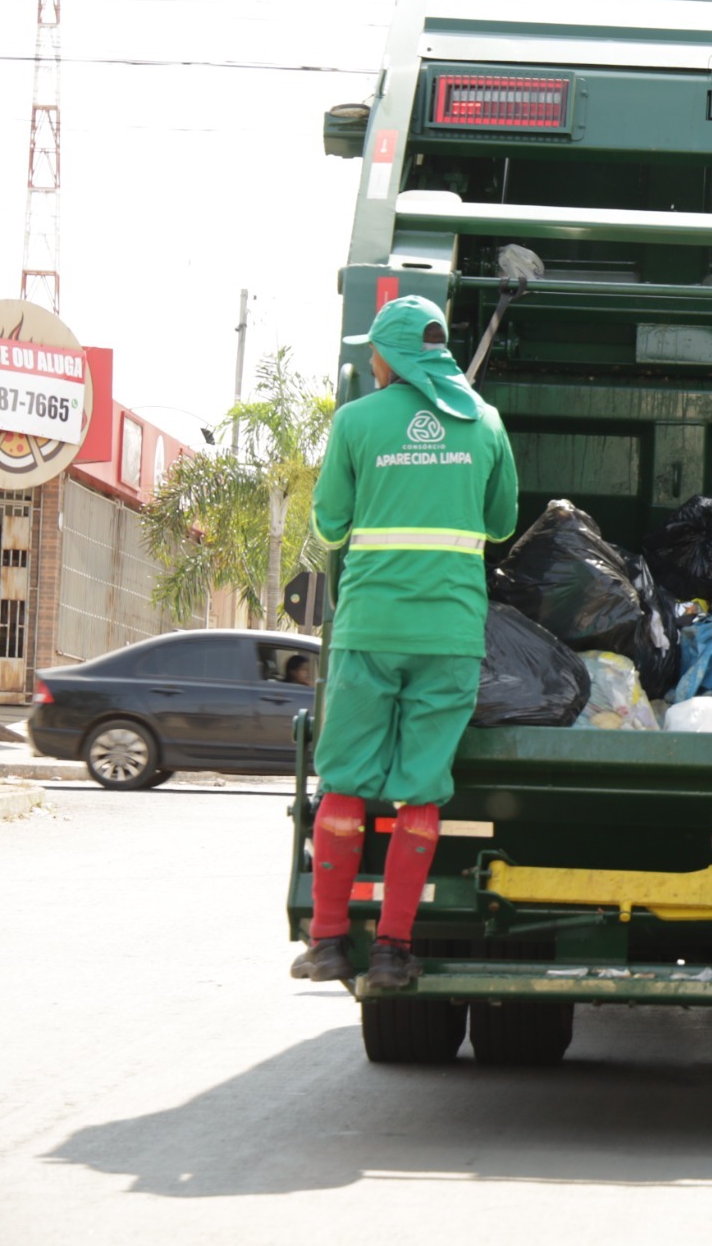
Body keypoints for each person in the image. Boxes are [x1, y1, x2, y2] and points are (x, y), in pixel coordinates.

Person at [290, 295, 517, 990]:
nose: (367, 359)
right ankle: (392, 950)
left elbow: (329, 527)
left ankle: (328, 943)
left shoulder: (356, 421)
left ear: (391, 354)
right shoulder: (484, 422)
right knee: (420, 795)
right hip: (449, 635)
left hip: (370, 632)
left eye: (373, 349)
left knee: (346, 786)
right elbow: (502, 523)